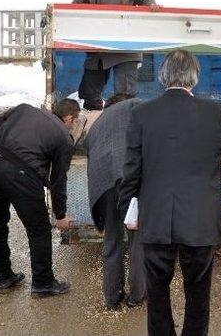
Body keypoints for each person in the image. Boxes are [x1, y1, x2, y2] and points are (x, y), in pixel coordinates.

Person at [118, 49, 221, 336]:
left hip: (156, 216)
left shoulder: (142, 113)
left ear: (162, 77)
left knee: (157, 292)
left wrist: (129, 208)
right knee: (198, 293)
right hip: (200, 220)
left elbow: (131, 168)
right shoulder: (214, 112)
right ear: (194, 79)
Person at [0, 99, 79, 297]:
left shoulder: (24, 108)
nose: (75, 125)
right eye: (75, 121)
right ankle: (43, 283)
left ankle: (4, 277)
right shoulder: (63, 137)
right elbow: (58, 179)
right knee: (39, 229)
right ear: (68, 118)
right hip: (20, 172)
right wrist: (60, 216)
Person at [73, 0, 158, 109]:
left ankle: (124, 125)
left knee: (125, 96)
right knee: (88, 93)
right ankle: (95, 122)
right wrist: (58, 15)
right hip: (97, 49)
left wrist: (151, 5)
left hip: (125, 47)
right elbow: (77, 5)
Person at [85, 93, 145, 310]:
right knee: (138, 240)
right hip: (129, 183)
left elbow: (86, 149)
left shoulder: (97, 123)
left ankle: (112, 298)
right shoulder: (134, 105)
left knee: (112, 241)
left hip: (103, 187)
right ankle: (137, 296)